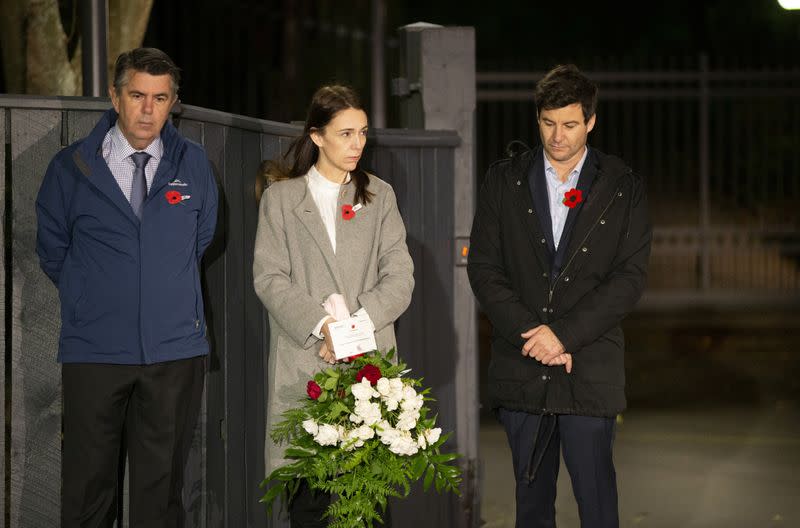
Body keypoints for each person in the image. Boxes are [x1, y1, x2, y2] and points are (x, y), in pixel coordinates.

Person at [35, 47, 218, 527]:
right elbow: (53, 249)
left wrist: (159, 288)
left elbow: (201, 239)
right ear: (116, 97)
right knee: (88, 491)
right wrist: (91, 295)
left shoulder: (193, 164)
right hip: (94, 352)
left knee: (161, 495)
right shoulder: (71, 167)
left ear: (172, 101)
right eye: (137, 95)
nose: (148, 109)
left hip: (173, 353)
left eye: (160, 98)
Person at [467, 64, 652, 527]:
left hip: (589, 369)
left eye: (570, 124)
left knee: (597, 505)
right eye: (548, 123)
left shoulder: (622, 187)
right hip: (523, 365)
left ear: (590, 121)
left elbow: (629, 278)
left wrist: (563, 336)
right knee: (530, 508)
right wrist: (537, 336)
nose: (557, 136)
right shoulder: (503, 180)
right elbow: (484, 268)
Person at [253, 85, 414, 528]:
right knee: (310, 508)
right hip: (304, 369)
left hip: (370, 377)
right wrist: (323, 325)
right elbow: (269, 278)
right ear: (317, 136)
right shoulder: (281, 200)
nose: (357, 144)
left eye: (362, 133)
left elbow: (401, 278)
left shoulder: (380, 196)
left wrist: (349, 331)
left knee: (369, 509)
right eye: (345, 134)